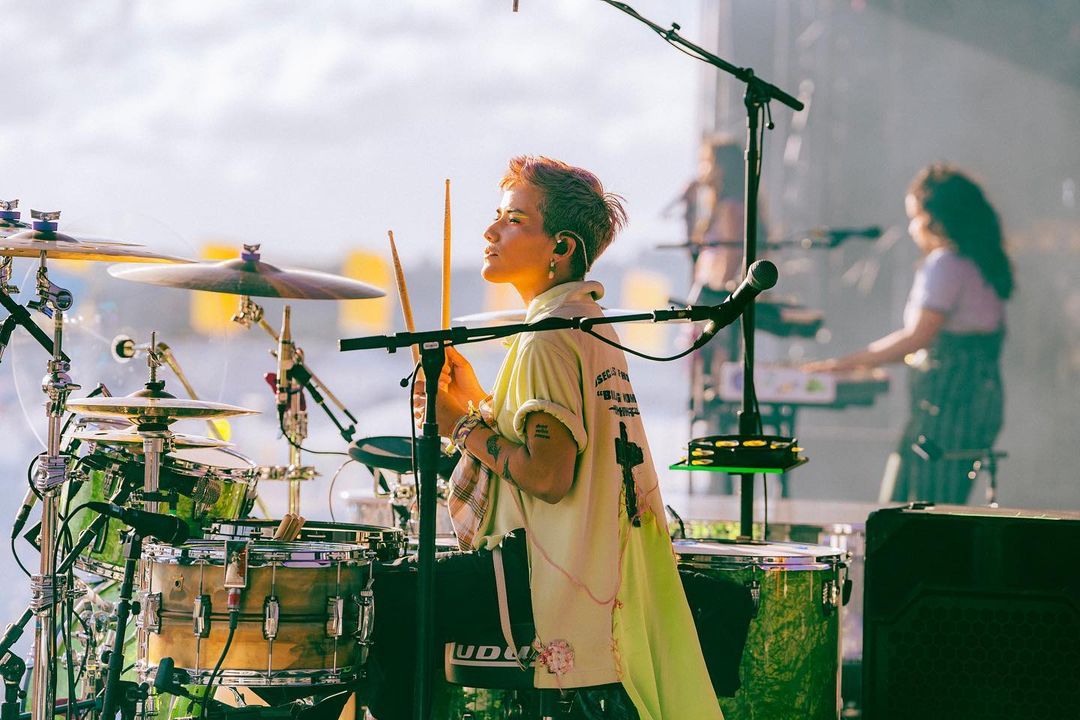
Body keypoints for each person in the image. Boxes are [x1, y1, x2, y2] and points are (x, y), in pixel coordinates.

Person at [366, 156, 722, 719]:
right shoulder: (587, 324)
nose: (490, 231)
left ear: (561, 246)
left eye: (513, 220)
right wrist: (477, 402)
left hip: (540, 576)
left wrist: (459, 425)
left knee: (380, 600)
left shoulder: (544, 340)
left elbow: (549, 476)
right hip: (598, 569)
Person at [805, 163, 1013, 504]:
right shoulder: (979, 264)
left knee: (922, 507)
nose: (912, 228)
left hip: (949, 401)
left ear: (936, 220)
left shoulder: (946, 264)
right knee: (919, 501)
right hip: (970, 399)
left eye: (915, 217)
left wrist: (847, 363)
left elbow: (917, 337)